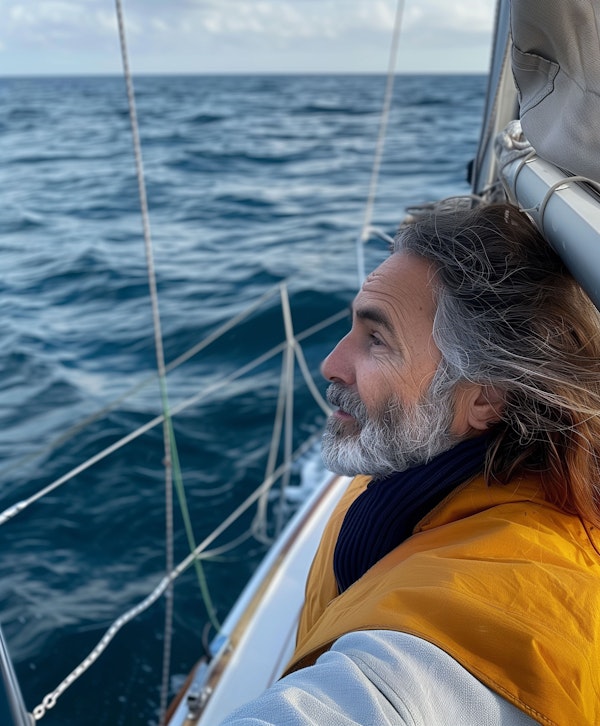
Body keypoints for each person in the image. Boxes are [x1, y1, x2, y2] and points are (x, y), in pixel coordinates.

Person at [221, 200, 600, 725]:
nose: (330, 364)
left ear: (486, 397)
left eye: (376, 339)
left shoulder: (522, 599)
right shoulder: (414, 464)